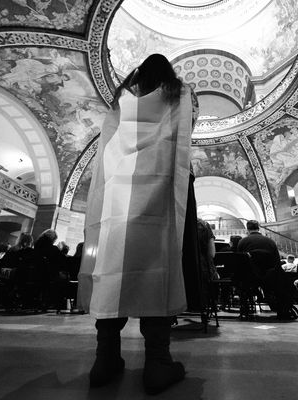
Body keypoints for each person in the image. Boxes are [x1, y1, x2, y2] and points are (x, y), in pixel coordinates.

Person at [78, 54, 199, 394]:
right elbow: (187, 135)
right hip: (158, 197)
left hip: (118, 199)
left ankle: (105, 360)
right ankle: (158, 363)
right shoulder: (180, 94)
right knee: (156, 271)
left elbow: (108, 146)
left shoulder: (122, 100)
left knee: (112, 271)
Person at [237, 220, 298, 320]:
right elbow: (277, 261)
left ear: (247, 229)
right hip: (270, 277)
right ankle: (281, 308)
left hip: (250, 278)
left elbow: (240, 261)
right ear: (259, 228)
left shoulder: (243, 242)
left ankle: (245, 309)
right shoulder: (270, 241)